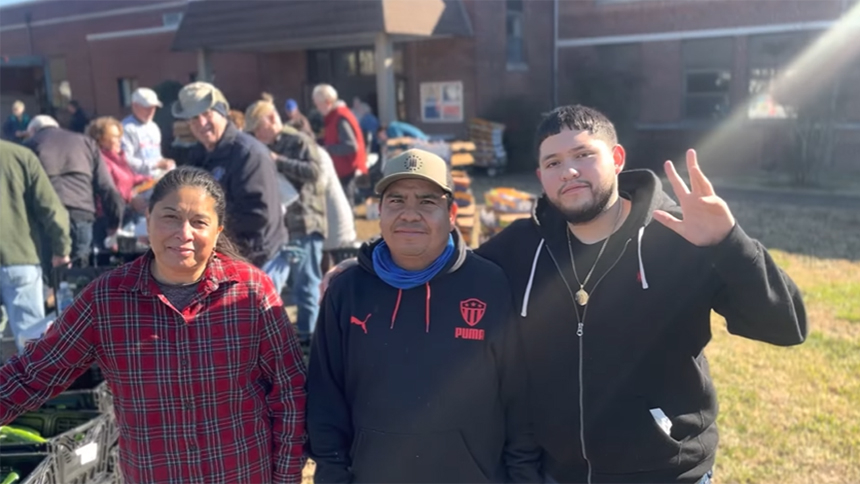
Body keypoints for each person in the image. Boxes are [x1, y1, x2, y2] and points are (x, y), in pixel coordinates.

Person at [321, 105, 808, 483]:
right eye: (553, 162)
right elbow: (443, 261)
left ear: (616, 159)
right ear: (540, 177)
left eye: (583, 155)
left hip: (665, 470)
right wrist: (367, 265)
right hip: (560, 473)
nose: (568, 171)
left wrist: (730, 243)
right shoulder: (520, 248)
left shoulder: (677, 238)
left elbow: (785, 327)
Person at [0, 166, 308, 484]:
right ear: (148, 219)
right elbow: (32, 374)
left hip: (241, 473)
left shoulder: (250, 290)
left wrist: (285, 477)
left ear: (218, 231)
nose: (184, 233)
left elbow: (288, 390)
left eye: (199, 222)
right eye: (170, 217)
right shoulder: (107, 298)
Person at [308, 148, 540, 483]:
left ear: (452, 213)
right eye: (397, 201)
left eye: (427, 202)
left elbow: (518, 402)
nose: (410, 214)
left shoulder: (490, 285)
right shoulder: (347, 292)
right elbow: (325, 400)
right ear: (380, 211)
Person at [172, 82, 289, 289]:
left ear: (223, 112)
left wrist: (205, 231)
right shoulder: (199, 154)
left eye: (207, 114)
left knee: (255, 322)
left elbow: (257, 215)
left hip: (258, 260)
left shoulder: (248, 153)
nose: (201, 123)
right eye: (193, 119)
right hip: (225, 260)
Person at [245, 93, 326, 341]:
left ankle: (308, 338)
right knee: (279, 285)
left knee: (306, 285)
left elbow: (314, 173)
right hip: (280, 224)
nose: (257, 136)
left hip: (305, 221)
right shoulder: (266, 145)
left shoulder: (299, 140)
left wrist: (278, 161)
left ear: (271, 119)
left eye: (258, 129)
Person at [0, 140, 71, 352]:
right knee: (31, 342)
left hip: (19, 259)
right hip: (19, 257)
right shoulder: (20, 156)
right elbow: (51, 208)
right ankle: (32, 385)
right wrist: (61, 250)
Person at [25, 115, 124, 266]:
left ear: (32, 130)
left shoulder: (28, 145)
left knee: (50, 273)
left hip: (46, 215)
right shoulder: (86, 143)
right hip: (81, 213)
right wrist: (114, 224)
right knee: (80, 274)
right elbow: (107, 188)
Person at [87, 117, 152, 247]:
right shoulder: (101, 161)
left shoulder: (118, 158)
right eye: (115, 137)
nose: (119, 141)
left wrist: (152, 178)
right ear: (100, 139)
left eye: (120, 136)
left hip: (127, 214)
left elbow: (129, 178)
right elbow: (110, 189)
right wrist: (131, 199)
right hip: (109, 219)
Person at [312, 84, 367, 207]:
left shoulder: (340, 118)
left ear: (327, 102)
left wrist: (327, 149)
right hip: (344, 168)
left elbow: (351, 146)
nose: (317, 108)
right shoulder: (337, 116)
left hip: (347, 170)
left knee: (346, 206)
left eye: (318, 104)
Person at [121, 87, 176, 177]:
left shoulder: (154, 127)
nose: (151, 111)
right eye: (147, 107)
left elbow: (156, 155)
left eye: (153, 107)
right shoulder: (126, 129)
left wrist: (166, 163)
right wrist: (155, 165)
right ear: (135, 106)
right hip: (138, 184)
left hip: (156, 179)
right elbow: (125, 160)